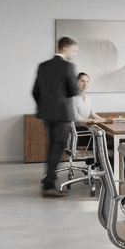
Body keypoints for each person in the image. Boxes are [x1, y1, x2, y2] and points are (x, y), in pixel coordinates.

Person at [32, 36, 81, 197]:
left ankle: (48, 181)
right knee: (57, 149)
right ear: (64, 49)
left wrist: (44, 107)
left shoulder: (43, 66)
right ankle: (49, 185)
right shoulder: (68, 66)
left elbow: (35, 91)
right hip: (63, 114)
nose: (75, 54)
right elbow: (74, 90)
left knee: (52, 148)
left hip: (47, 114)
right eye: (74, 50)